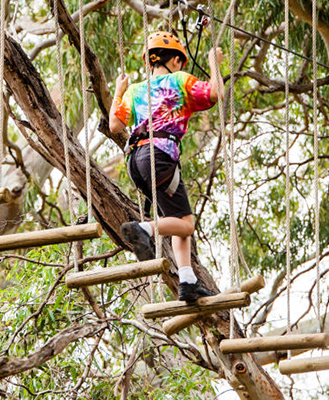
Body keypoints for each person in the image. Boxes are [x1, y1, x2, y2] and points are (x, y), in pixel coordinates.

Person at [109, 31, 223, 303]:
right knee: (186, 226)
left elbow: (115, 126)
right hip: (160, 156)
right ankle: (144, 229)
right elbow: (214, 94)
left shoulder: (136, 90)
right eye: (181, 63)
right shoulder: (179, 80)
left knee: (177, 221)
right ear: (174, 61)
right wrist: (214, 63)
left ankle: (187, 281)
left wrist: (117, 92)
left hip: (136, 162)